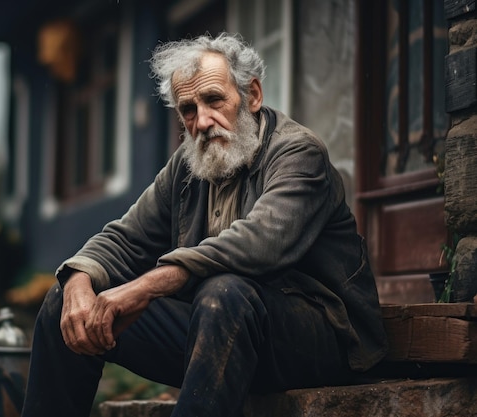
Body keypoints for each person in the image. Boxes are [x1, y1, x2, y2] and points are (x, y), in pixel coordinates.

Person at [21, 32, 388, 417]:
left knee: (224, 291)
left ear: (252, 96)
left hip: (318, 338)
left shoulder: (298, 151)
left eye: (213, 100)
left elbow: (261, 241)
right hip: (219, 333)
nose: (203, 121)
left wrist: (146, 286)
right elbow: (126, 238)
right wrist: (80, 280)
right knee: (65, 302)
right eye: (188, 110)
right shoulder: (188, 164)